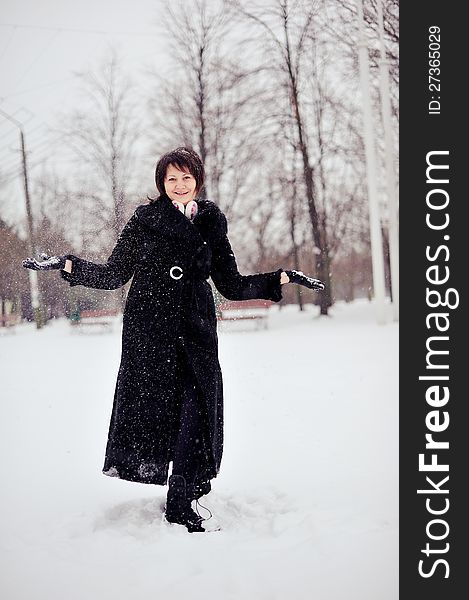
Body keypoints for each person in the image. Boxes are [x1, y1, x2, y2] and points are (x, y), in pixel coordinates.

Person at [23, 147, 324, 533]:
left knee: (197, 409)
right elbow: (115, 274)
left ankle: (181, 496)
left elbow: (230, 284)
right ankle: (178, 503)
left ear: (197, 179)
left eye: (186, 178)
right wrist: (69, 265)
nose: (179, 186)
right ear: (161, 184)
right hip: (151, 330)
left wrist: (278, 278)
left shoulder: (212, 221)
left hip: (196, 328)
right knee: (165, 411)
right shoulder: (145, 220)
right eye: (171, 179)